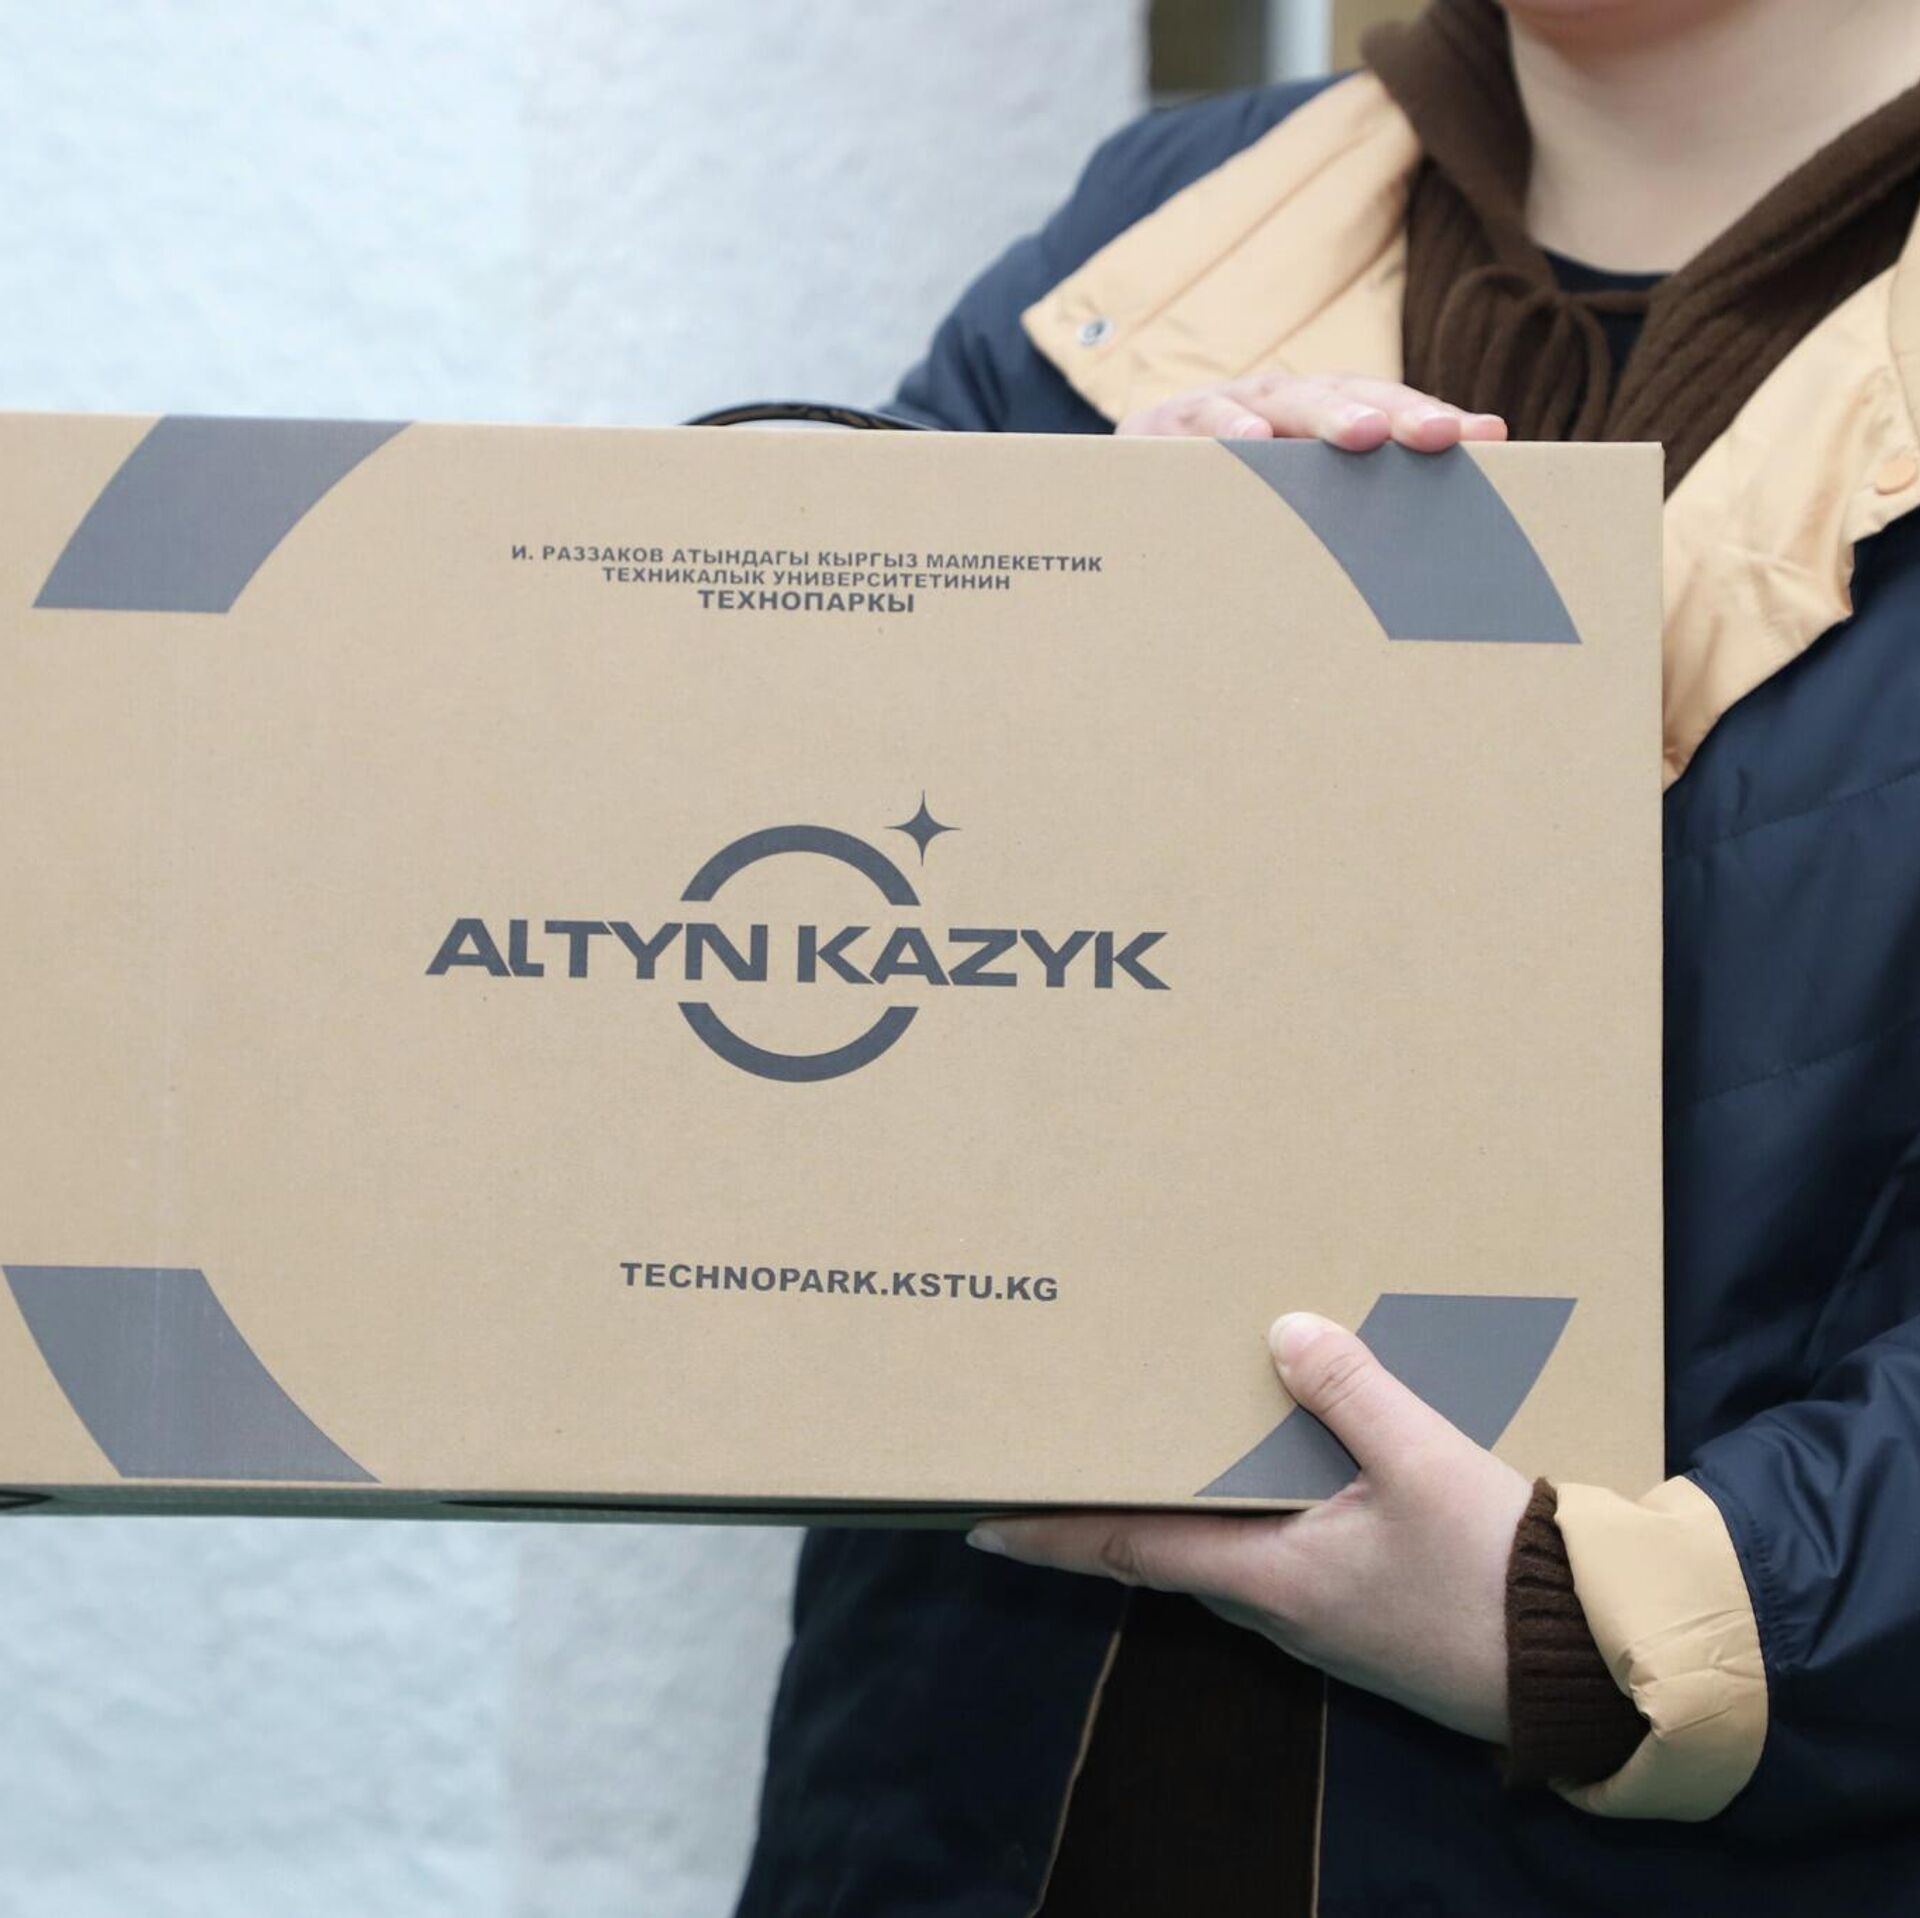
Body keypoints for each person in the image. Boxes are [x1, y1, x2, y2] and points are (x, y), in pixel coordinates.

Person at [733, 1, 1920, 1911]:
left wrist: (1615, 1621)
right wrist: (1024, 638)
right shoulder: (1160, 232)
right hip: (969, 1818)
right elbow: (733, 961)